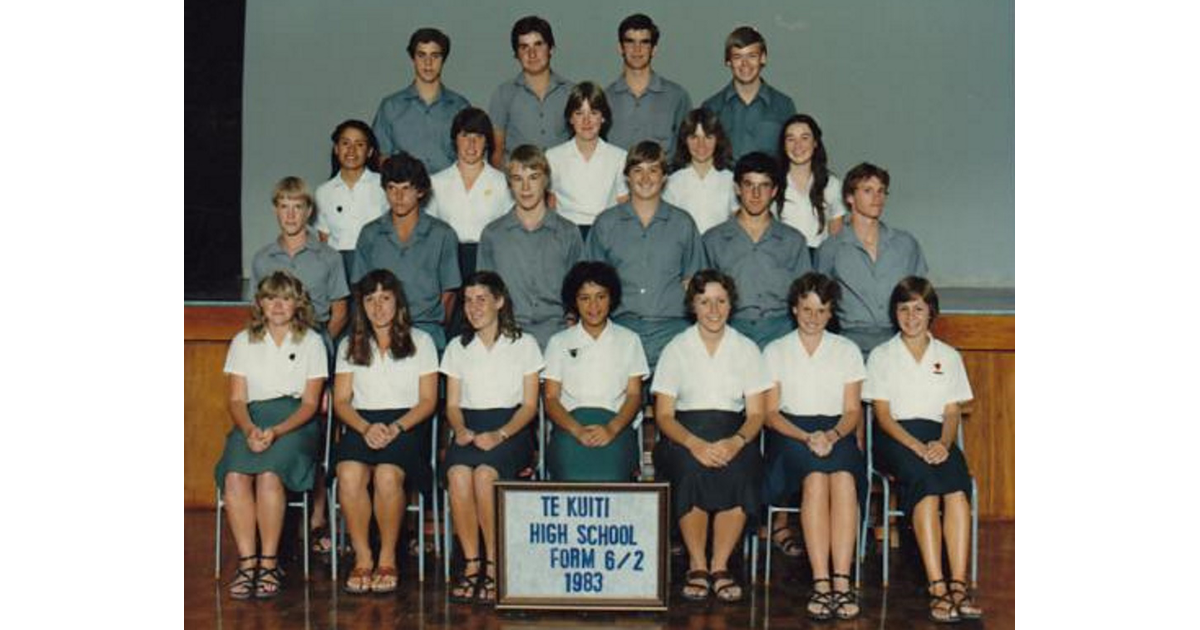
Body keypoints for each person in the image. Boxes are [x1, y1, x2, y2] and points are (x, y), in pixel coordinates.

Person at [864, 277, 981, 623]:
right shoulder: (882, 356)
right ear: (894, 313)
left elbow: (951, 412)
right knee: (928, 491)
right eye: (904, 309)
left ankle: (958, 585)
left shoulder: (948, 355)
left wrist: (943, 445)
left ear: (931, 313)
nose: (911, 316)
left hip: (937, 438)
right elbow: (882, 416)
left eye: (919, 309)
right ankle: (937, 586)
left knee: (957, 492)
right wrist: (916, 446)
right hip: (896, 438)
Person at [652, 270, 769, 603]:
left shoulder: (746, 349)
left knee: (741, 469)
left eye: (720, 301)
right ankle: (697, 563)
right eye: (705, 302)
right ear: (693, 306)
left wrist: (735, 442)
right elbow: (663, 415)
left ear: (731, 305)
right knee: (691, 469)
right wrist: (695, 444)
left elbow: (757, 413)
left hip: (734, 433)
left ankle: (720, 565)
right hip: (684, 435)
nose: (713, 310)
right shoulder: (677, 348)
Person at [214, 270, 328, 599]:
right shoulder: (242, 341)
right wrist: (250, 429)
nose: (278, 305)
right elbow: (236, 399)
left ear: (298, 304)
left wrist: (276, 432)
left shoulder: (311, 342)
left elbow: (310, 404)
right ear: (260, 304)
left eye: (286, 297)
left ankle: (269, 562)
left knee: (268, 475)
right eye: (270, 297)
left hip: (295, 422)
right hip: (251, 419)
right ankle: (248, 563)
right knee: (235, 476)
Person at [762, 272, 866, 621]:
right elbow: (771, 414)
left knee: (844, 479)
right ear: (794, 309)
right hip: (792, 433)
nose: (813, 317)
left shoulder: (847, 350)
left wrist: (833, 436)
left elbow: (852, 411)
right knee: (816, 479)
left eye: (821, 311)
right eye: (807, 309)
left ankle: (842, 579)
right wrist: (807, 437)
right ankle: (821, 582)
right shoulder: (776, 350)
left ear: (831, 313)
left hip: (836, 430)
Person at [330, 269, 438, 594]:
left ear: (398, 302)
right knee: (348, 474)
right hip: (361, 423)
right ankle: (363, 557)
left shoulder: (422, 341)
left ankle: (388, 557)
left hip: (406, 423)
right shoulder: (349, 344)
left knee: (388, 476)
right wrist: (365, 427)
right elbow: (341, 401)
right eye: (370, 300)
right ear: (362, 305)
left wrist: (396, 427)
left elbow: (428, 401)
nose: (378, 308)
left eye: (385, 299)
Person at [441, 271, 544, 605]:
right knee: (458, 475)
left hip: (510, 428)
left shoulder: (524, 344)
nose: (473, 307)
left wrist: (500, 434)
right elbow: (453, 405)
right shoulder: (458, 347)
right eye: (468, 300)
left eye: (481, 299)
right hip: (470, 425)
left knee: (485, 476)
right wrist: (459, 430)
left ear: (499, 301)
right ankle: (472, 562)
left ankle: (495, 562)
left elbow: (529, 407)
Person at [585, 141, 707, 371]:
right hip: (620, 329)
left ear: (664, 177)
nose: (645, 178)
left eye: (653, 170)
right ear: (627, 177)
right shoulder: (606, 223)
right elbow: (591, 284)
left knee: (670, 406)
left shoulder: (682, 223)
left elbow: (694, 282)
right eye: (637, 170)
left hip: (673, 330)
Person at [543, 261, 649, 481]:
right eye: (585, 298)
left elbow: (634, 396)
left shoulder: (629, 340)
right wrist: (577, 430)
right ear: (575, 301)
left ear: (612, 298)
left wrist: (611, 429)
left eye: (601, 296)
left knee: (613, 473)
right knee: (569, 471)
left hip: (616, 427)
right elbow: (551, 398)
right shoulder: (558, 342)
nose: (593, 306)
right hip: (570, 427)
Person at [352, 152, 461, 353]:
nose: (398, 196)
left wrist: (435, 325)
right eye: (392, 188)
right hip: (381, 332)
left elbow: (449, 293)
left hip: (427, 331)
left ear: (420, 191)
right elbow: (361, 289)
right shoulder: (370, 234)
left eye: (406, 188)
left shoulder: (442, 234)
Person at [477, 144, 583, 349]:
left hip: (557, 337)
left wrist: (570, 337)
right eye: (518, 179)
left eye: (533, 177)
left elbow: (579, 292)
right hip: (508, 336)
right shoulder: (493, 234)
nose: (526, 188)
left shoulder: (568, 232)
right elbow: (484, 294)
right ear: (509, 184)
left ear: (546, 181)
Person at [815, 162, 928, 355]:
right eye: (868, 190)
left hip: (897, 344)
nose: (877, 197)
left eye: (881, 191)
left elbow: (921, 298)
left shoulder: (905, 244)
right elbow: (818, 303)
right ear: (850, 197)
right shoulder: (831, 248)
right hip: (850, 346)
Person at [703, 151, 811, 348]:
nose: (756, 194)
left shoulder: (793, 240)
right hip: (730, 331)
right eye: (749, 184)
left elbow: (806, 298)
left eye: (764, 186)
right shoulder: (713, 240)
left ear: (774, 190)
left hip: (781, 331)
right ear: (737, 188)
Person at [250, 177, 349, 341]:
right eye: (284, 207)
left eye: (297, 207)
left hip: (317, 337)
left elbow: (340, 313)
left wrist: (321, 346)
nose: (290, 215)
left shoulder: (330, 257)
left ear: (309, 211)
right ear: (275, 210)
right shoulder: (262, 259)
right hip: (275, 340)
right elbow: (256, 309)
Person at [426, 108, 514, 279]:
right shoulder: (436, 182)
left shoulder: (502, 182)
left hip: (490, 260)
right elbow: (431, 232)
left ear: (487, 141)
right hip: (447, 261)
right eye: (465, 136)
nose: (471, 144)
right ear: (455, 139)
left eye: (478, 137)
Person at [372, 28, 470, 175]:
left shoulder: (460, 107)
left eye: (435, 56)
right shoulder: (390, 106)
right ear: (413, 58)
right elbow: (380, 156)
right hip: (404, 193)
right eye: (421, 55)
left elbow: (471, 155)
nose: (428, 63)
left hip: (450, 193)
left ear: (444, 59)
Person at [545, 82, 629, 237]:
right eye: (579, 113)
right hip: (567, 234)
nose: (586, 121)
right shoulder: (553, 156)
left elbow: (623, 203)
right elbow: (551, 203)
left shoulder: (619, 157)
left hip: (606, 233)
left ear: (603, 118)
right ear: (570, 118)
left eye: (593, 112)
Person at [700, 26, 796, 161]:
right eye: (737, 57)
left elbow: (792, 155)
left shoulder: (784, 105)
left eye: (752, 56)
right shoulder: (711, 107)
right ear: (728, 61)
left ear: (763, 58)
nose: (745, 64)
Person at [488, 16, 574, 164]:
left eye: (538, 44)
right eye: (524, 47)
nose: (532, 53)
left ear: (551, 48)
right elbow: (496, 152)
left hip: (563, 183)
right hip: (518, 184)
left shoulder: (571, 92)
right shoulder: (503, 94)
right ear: (516, 53)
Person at [314, 120, 389, 283]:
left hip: (377, 265)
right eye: (345, 143)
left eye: (359, 144)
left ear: (369, 151)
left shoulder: (384, 185)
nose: (351, 150)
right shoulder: (324, 191)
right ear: (336, 149)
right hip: (338, 268)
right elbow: (324, 239)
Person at [604, 13, 692, 150]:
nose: (637, 49)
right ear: (620, 48)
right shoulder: (605, 99)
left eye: (644, 42)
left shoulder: (677, 97)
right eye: (630, 41)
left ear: (654, 49)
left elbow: (688, 149)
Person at [777, 114, 847, 252]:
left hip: (819, 262)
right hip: (781, 260)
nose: (798, 145)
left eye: (805, 138)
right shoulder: (773, 183)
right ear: (784, 145)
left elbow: (836, 238)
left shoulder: (831, 184)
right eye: (791, 139)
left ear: (815, 143)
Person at [663, 108, 738, 234]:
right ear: (685, 140)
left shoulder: (730, 180)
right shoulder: (672, 182)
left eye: (708, 137)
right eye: (694, 137)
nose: (701, 145)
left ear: (718, 140)